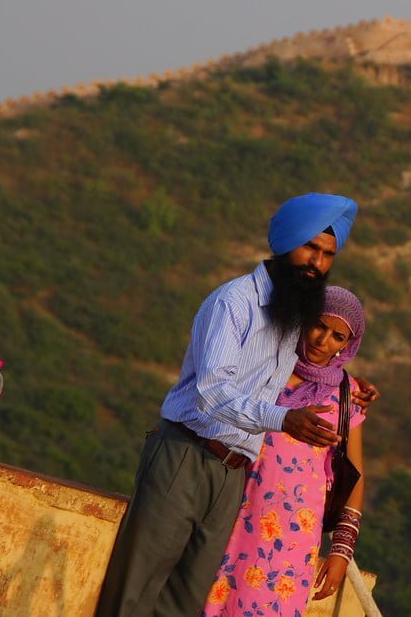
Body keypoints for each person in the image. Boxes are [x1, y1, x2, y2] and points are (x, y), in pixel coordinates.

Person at [95, 193, 379, 617]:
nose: (315, 263)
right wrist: (283, 419)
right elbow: (212, 393)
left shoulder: (292, 319)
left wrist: (351, 386)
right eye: (309, 247)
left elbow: (319, 360)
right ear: (285, 244)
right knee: (135, 595)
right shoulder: (235, 302)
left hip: (233, 476)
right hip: (186, 455)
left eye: (326, 254)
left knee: (183, 604)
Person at [202, 286, 368, 616]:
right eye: (319, 325)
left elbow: (355, 475)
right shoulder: (266, 369)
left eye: (338, 336)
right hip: (232, 514)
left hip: (294, 536)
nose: (323, 341)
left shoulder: (348, 395)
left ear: (347, 346)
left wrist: (341, 549)